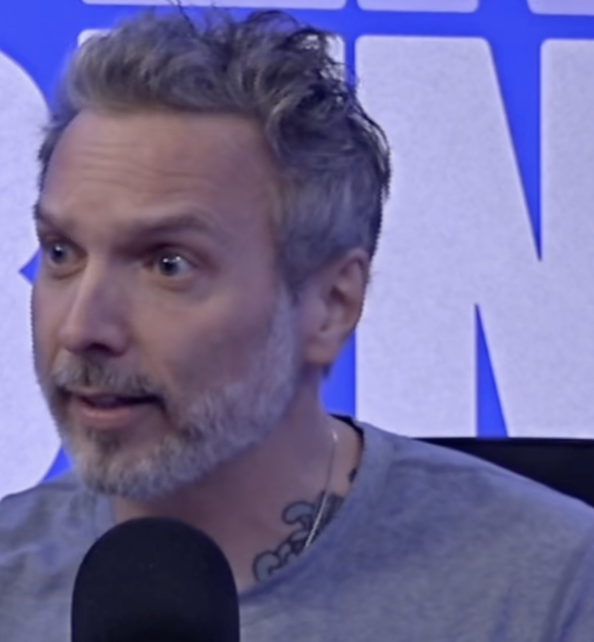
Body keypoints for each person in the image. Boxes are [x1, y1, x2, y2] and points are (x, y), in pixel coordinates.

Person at [0, 8, 593, 641]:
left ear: (331, 304)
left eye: (169, 264)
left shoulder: (550, 586)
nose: (82, 328)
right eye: (61, 253)